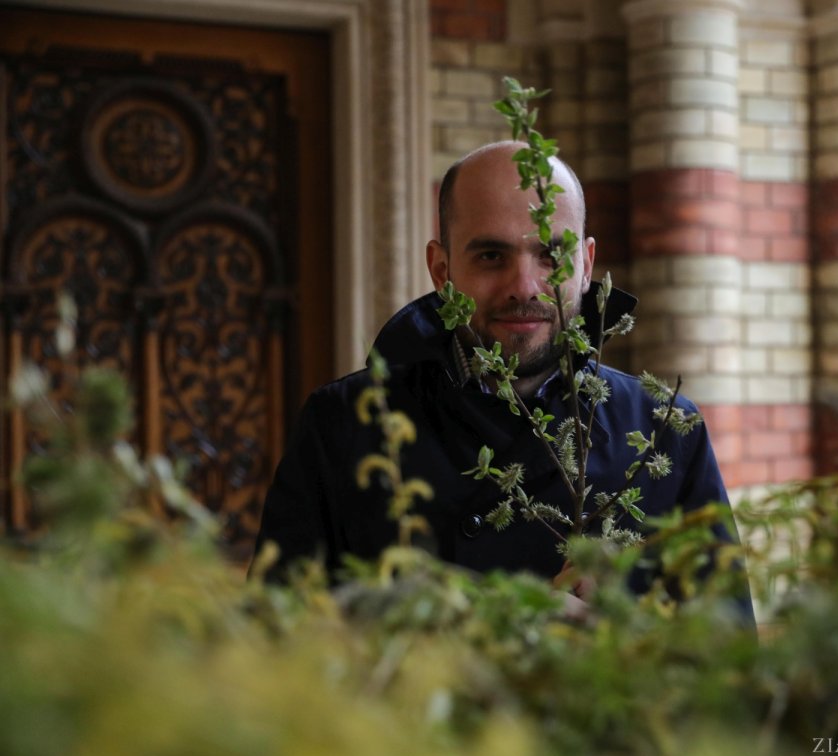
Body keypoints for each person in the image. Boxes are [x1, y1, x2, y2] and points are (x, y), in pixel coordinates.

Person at [252, 141, 752, 620]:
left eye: (551, 256)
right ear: (441, 269)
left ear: (587, 267)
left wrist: (626, 634)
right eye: (491, 256)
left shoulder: (667, 430)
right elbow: (270, 643)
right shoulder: (341, 427)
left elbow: (729, 665)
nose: (524, 287)